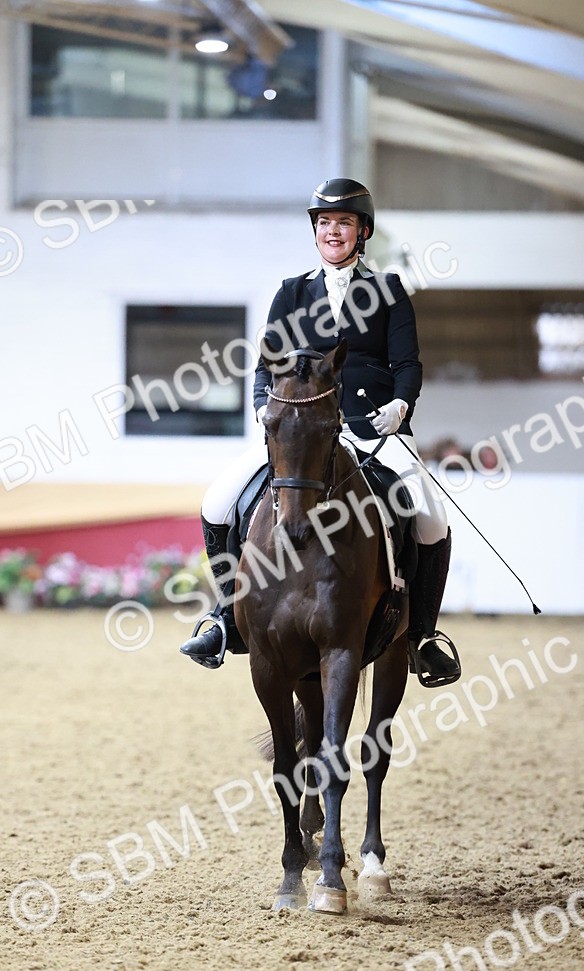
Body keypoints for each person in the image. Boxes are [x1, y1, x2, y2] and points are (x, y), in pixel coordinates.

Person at [179, 177, 462, 688]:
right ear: (316, 231)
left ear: (363, 231)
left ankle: (422, 637)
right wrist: (266, 406)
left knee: (430, 517)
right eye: (325, 223)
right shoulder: (291, 292)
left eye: (345, 223)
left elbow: (408, 363)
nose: (334, 231)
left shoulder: (388, 291)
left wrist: (401, 404)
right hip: (300, 435)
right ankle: (224, 618)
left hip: (375, 430)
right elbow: (266, 365)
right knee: (218, 501)